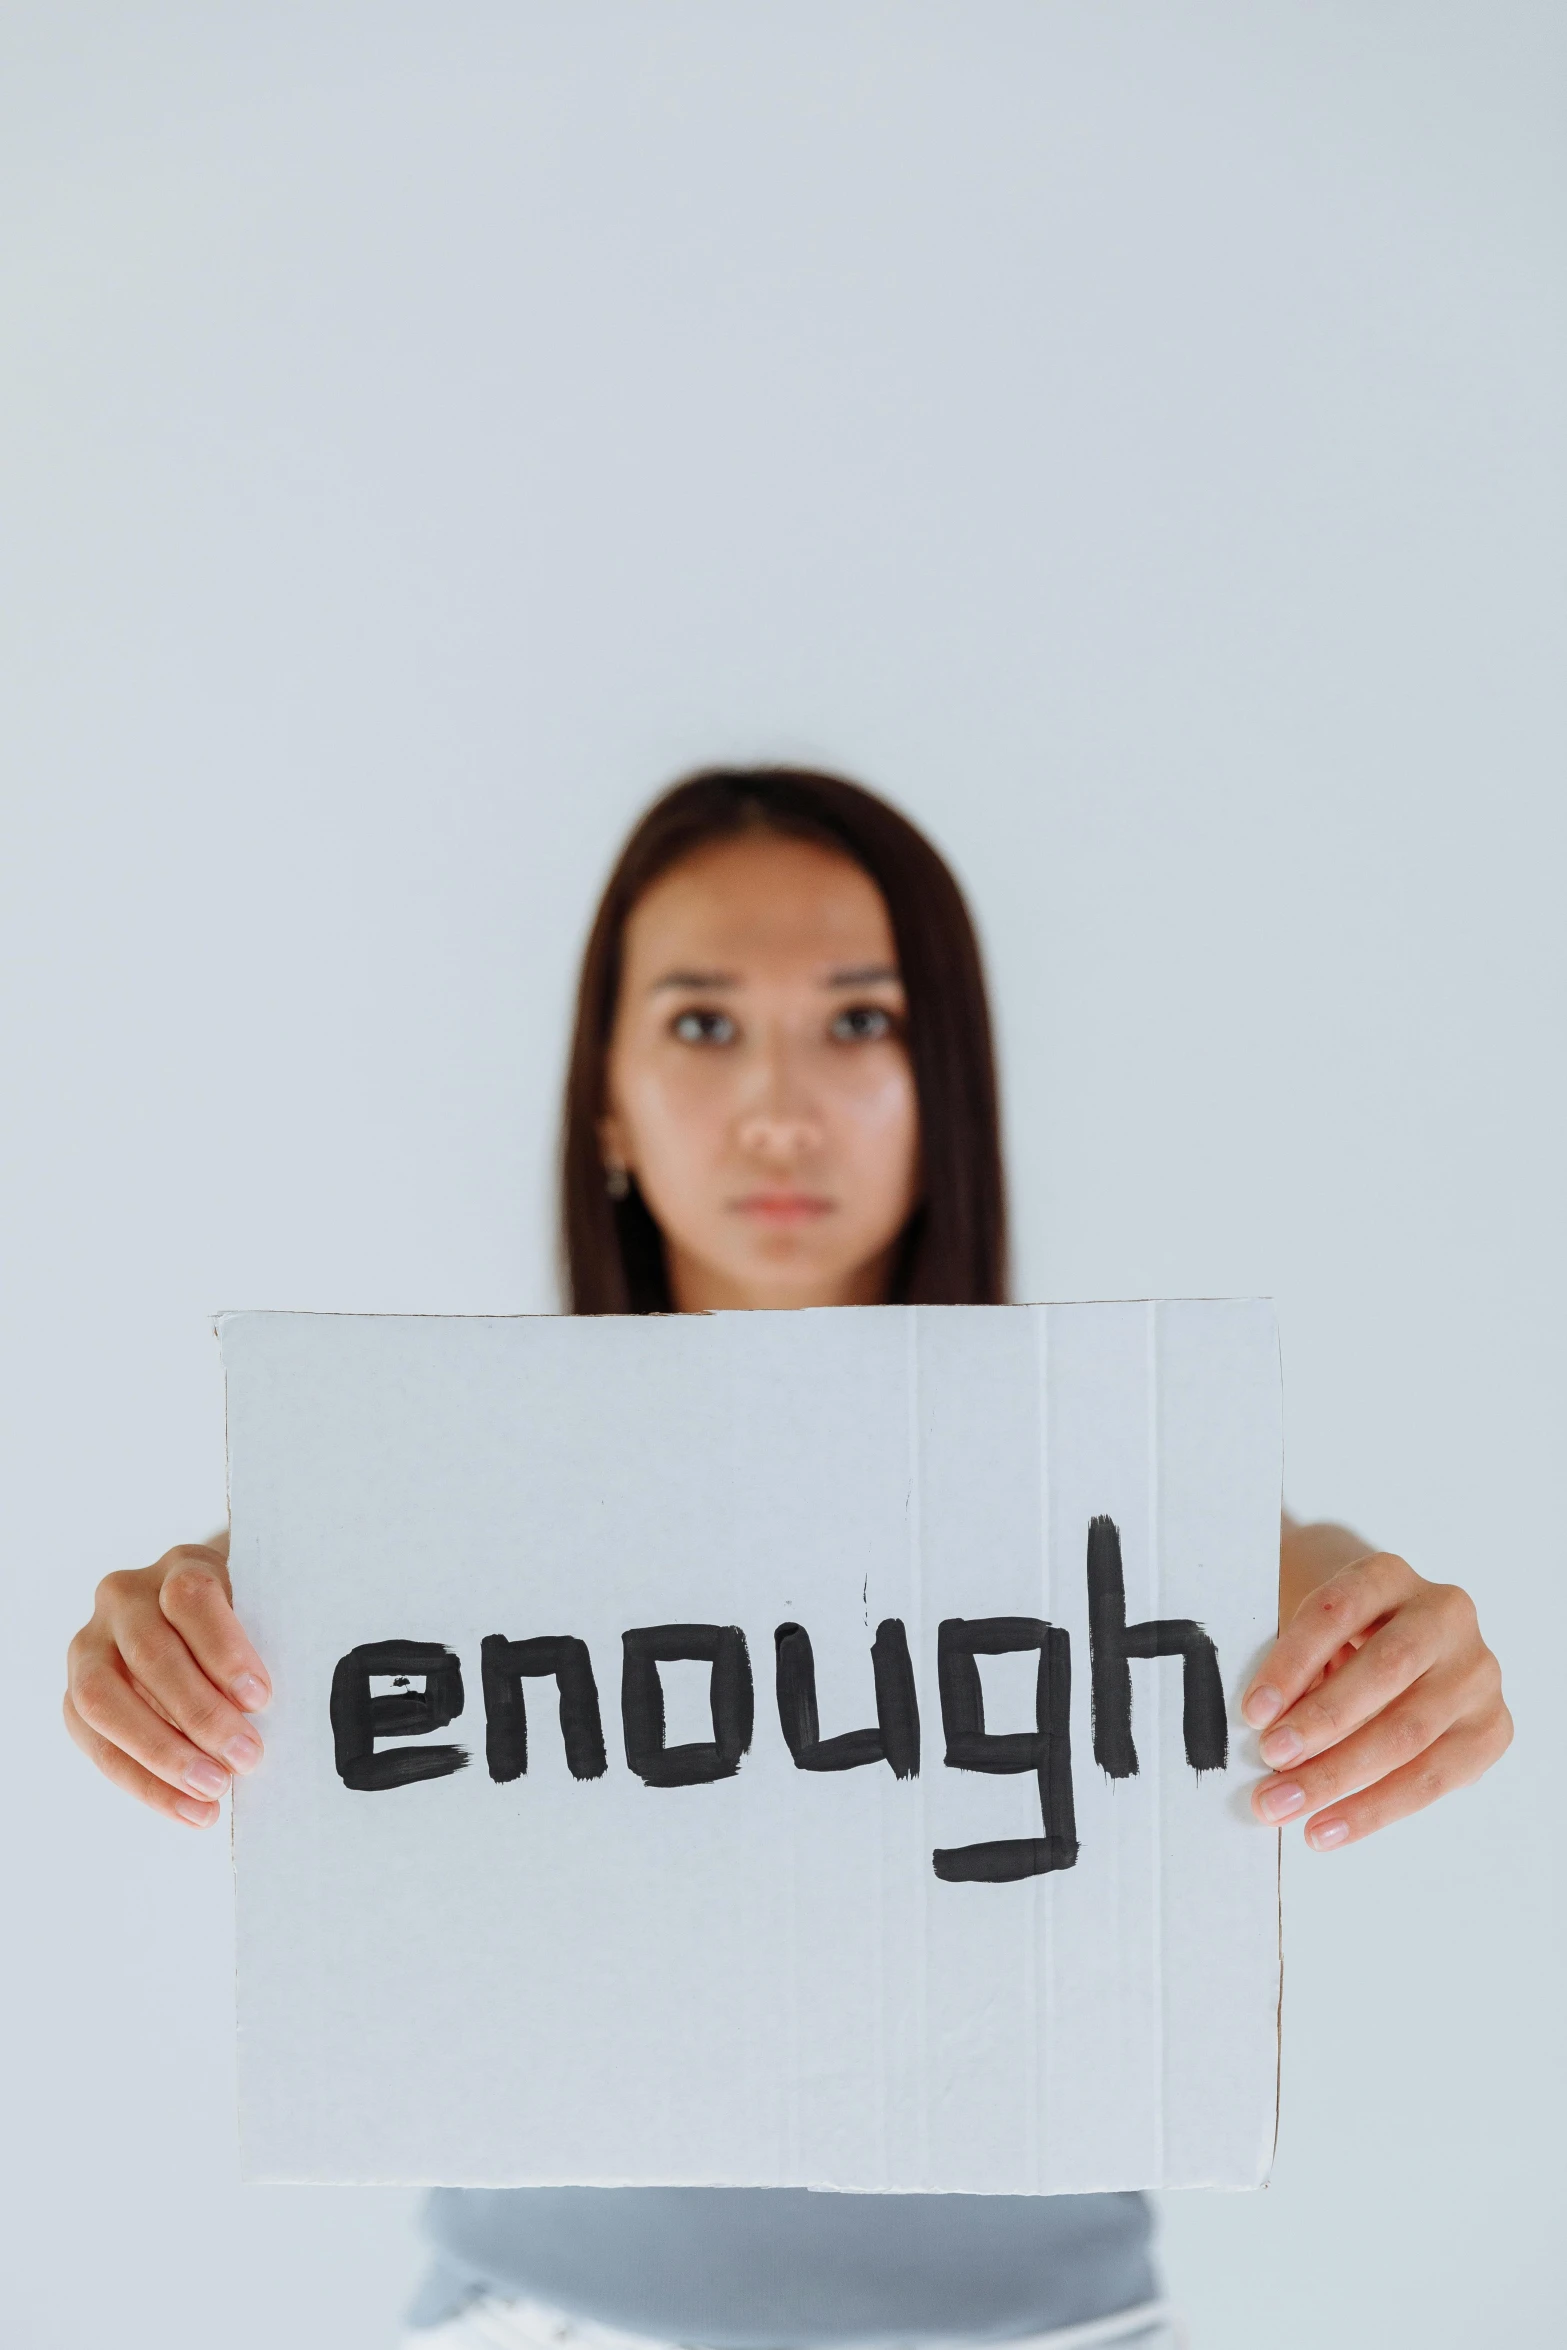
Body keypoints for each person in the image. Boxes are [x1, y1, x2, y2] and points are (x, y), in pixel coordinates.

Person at [65, 769, 1512, 2350]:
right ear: (603, 1096)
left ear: (942, 1077)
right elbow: (277, 1616)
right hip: (534, 2317)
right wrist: (170, 1650)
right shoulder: (422, 1516)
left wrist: (1390, 1642)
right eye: (700, 1023)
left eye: (857, 1021)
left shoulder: (1113, 1488)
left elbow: (1284, 1587)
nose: (776, 1105)